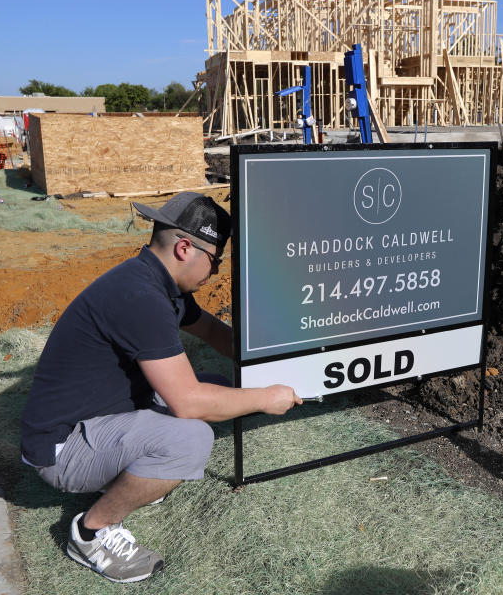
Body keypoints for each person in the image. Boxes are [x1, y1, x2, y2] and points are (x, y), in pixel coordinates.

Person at [20, 192, 301, 583]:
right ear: (186, 248)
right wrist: (267, 398)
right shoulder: (141, 298)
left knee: (219, 387)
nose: (214, 273)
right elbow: (187, 402)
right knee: (191, 437)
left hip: (96, 417)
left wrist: (268, 359)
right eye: (215, 261)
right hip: (60, 450)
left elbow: (212, 331)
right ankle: (91, 533)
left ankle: (140, 477)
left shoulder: (152, 281)